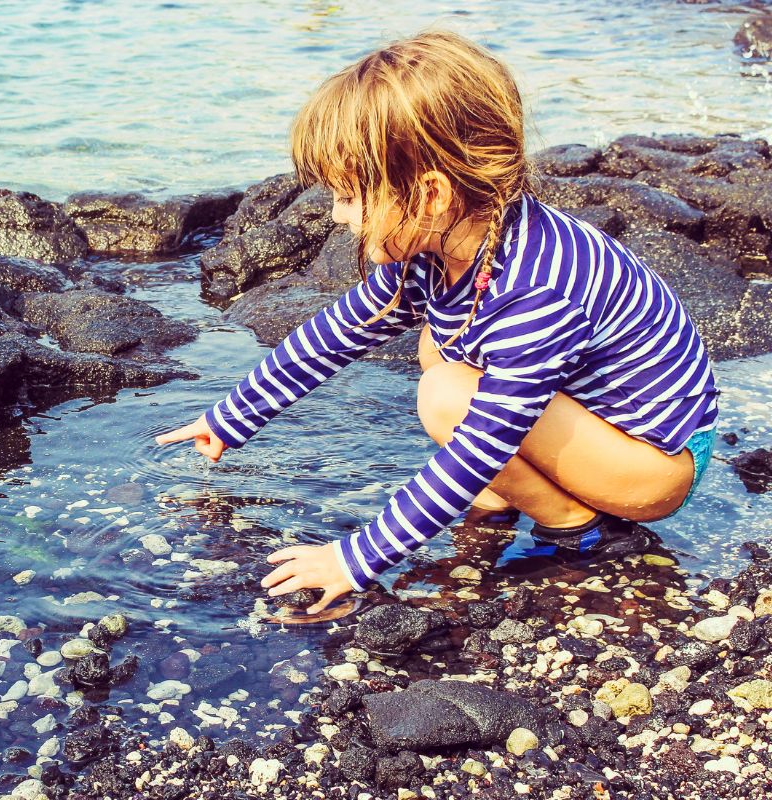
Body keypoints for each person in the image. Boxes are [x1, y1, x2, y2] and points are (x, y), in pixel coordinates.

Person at [155, 30, 719, 616]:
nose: (337, 216)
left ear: (429, 195)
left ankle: (580, 524)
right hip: (602, 429)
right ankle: (516, 496)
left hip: (654, 464)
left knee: (447, 394)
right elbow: (338, 331)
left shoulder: (536, 289)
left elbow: (482, 439)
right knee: (439, 348)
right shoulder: (452, 244)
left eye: (349, 197)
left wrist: (357, 556)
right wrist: (232, 416)